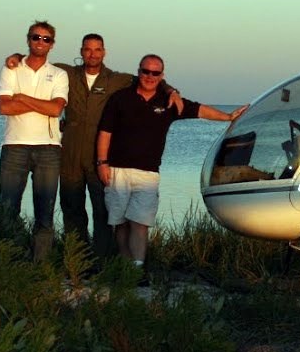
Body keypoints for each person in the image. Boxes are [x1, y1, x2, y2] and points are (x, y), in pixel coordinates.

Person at [4, 34, 180, 257]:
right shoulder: (64, 73)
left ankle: (103, 262)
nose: (92, 54)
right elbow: (37, 60)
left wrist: (171, 90)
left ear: (104, 52)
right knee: (72, 209)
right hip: (70, 152)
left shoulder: (117, 79)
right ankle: (78, 261)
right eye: (88, 49)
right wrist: (16, 57)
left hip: (100, 155)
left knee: (102, 211)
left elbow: (149, 78)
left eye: (97, 49)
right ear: (81, 51)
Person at [96, 53, 247, 267]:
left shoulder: (168, 102)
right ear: (138, 71)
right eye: (145, 71)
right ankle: (124, 267)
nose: (149, 76)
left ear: (161, 75)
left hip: (148, 174)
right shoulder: (120, 98)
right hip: (117, 170)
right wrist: (102, 163)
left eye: (155, 73)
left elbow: (199, 110)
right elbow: (105, 132)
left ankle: (137, 269)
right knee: (120, 223)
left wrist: (228, 117)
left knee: (140, 223)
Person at [0, 21, 69, 261]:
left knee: (45, 213)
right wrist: (40, 104)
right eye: (36, 37)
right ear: (28, 39)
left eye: (46, 39)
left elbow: (55, 109)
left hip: (48, 149)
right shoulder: (11, 69)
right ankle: (9, 263)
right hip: (14, 146)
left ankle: (40, 267)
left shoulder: (59, 74)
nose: (40, 42)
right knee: (7, 210)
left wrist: (23, 97)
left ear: (52, 44)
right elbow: (5, 106)